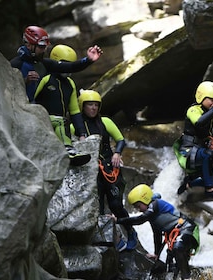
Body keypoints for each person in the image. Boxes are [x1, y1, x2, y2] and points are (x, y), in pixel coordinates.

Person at [72, 89, 137, 250]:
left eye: (96, 105)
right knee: (98, 206)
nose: (93, 108)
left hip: (110, 167)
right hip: (91, 170)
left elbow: (120, 140)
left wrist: (117, 153)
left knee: (116, 204)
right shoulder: (76, 126)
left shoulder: (106, 121)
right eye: (89, 105)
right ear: (82, 106)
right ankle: (108, 239)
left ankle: (131, 233)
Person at [111, 184, 200, 280]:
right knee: (170, 266)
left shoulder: (155, 204)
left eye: (138, 206)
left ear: (145, 199)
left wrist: (118, 220)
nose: (138, 209)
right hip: (176, 235)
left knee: (178, 248)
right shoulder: (152, 217)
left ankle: (187, 278)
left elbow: (140, 220)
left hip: (188, 229)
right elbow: (157, 235)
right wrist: (156, 254)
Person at [10, 25, 103, 103]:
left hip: (38, 112)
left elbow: (70, 67)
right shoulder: (16, 64)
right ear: (29, 45)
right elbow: (7, 89)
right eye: (41, 47)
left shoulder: (45, 63)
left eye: (45, 47)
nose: (44, 50)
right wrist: (24, 81)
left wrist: (88, 60)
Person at [34, 44, 90, 166]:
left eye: (70, 65)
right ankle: (68, 150)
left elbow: (74, 111)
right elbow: (31, 98)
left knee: (64, 122)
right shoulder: (46, 78)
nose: (67, 69)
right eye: (65, 64)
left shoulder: (70, 84)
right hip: (40, 118)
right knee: (61, 121)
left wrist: (81, 133)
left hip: (59, 122)